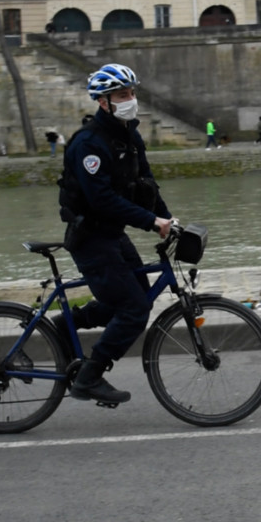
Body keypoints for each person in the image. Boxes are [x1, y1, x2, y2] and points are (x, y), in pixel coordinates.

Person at [58, 63, 176, 405]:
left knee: (137, 295)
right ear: (104, 102)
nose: (131, 100)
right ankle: (89, 376)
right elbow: (103, 199)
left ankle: (69, 323)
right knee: (134, 309)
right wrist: (151, 223)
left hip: (112, 234)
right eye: (122, 95)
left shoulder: (130, 136)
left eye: (132, 93)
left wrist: (168, 220)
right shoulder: (88, 144)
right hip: (91, 238)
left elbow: (147, 186)